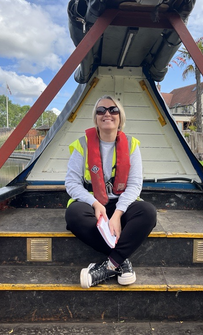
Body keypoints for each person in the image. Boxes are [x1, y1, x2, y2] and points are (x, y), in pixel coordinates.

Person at [65, 95, 157, 289]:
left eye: (113, 110)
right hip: (92, 203)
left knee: (147, 213)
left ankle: (109, 266)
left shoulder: (132, 145)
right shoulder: (81, 145)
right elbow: (72, 184)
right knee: (74, 215)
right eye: (101, 110)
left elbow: (134, 185)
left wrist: (117, 214)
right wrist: (95, 204)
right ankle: (121, 263)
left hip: (121, 204)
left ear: (120, 117)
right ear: (95, 117)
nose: (107, 113)